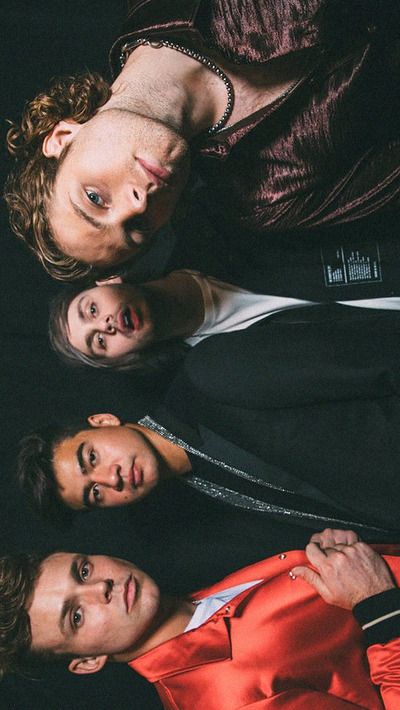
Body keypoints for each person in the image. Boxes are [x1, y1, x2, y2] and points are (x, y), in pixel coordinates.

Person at [4, 1, 400, 281]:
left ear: (63, 136)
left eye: (95, 198)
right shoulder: (268, 198)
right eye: (138, 228)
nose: (138, 203)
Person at [1, 528, 400, 709]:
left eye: (82, 571)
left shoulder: (196, 604)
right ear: (87, 662)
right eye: (76, 615)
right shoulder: (224, 700)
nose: (99, 589)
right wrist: (379, 606)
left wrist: (337, 558)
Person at [16, 395, 400, 536]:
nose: (110, 479)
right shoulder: (205, 491)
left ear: (102, 421)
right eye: (95, 495)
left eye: (91, 458)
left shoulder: (210, 380)